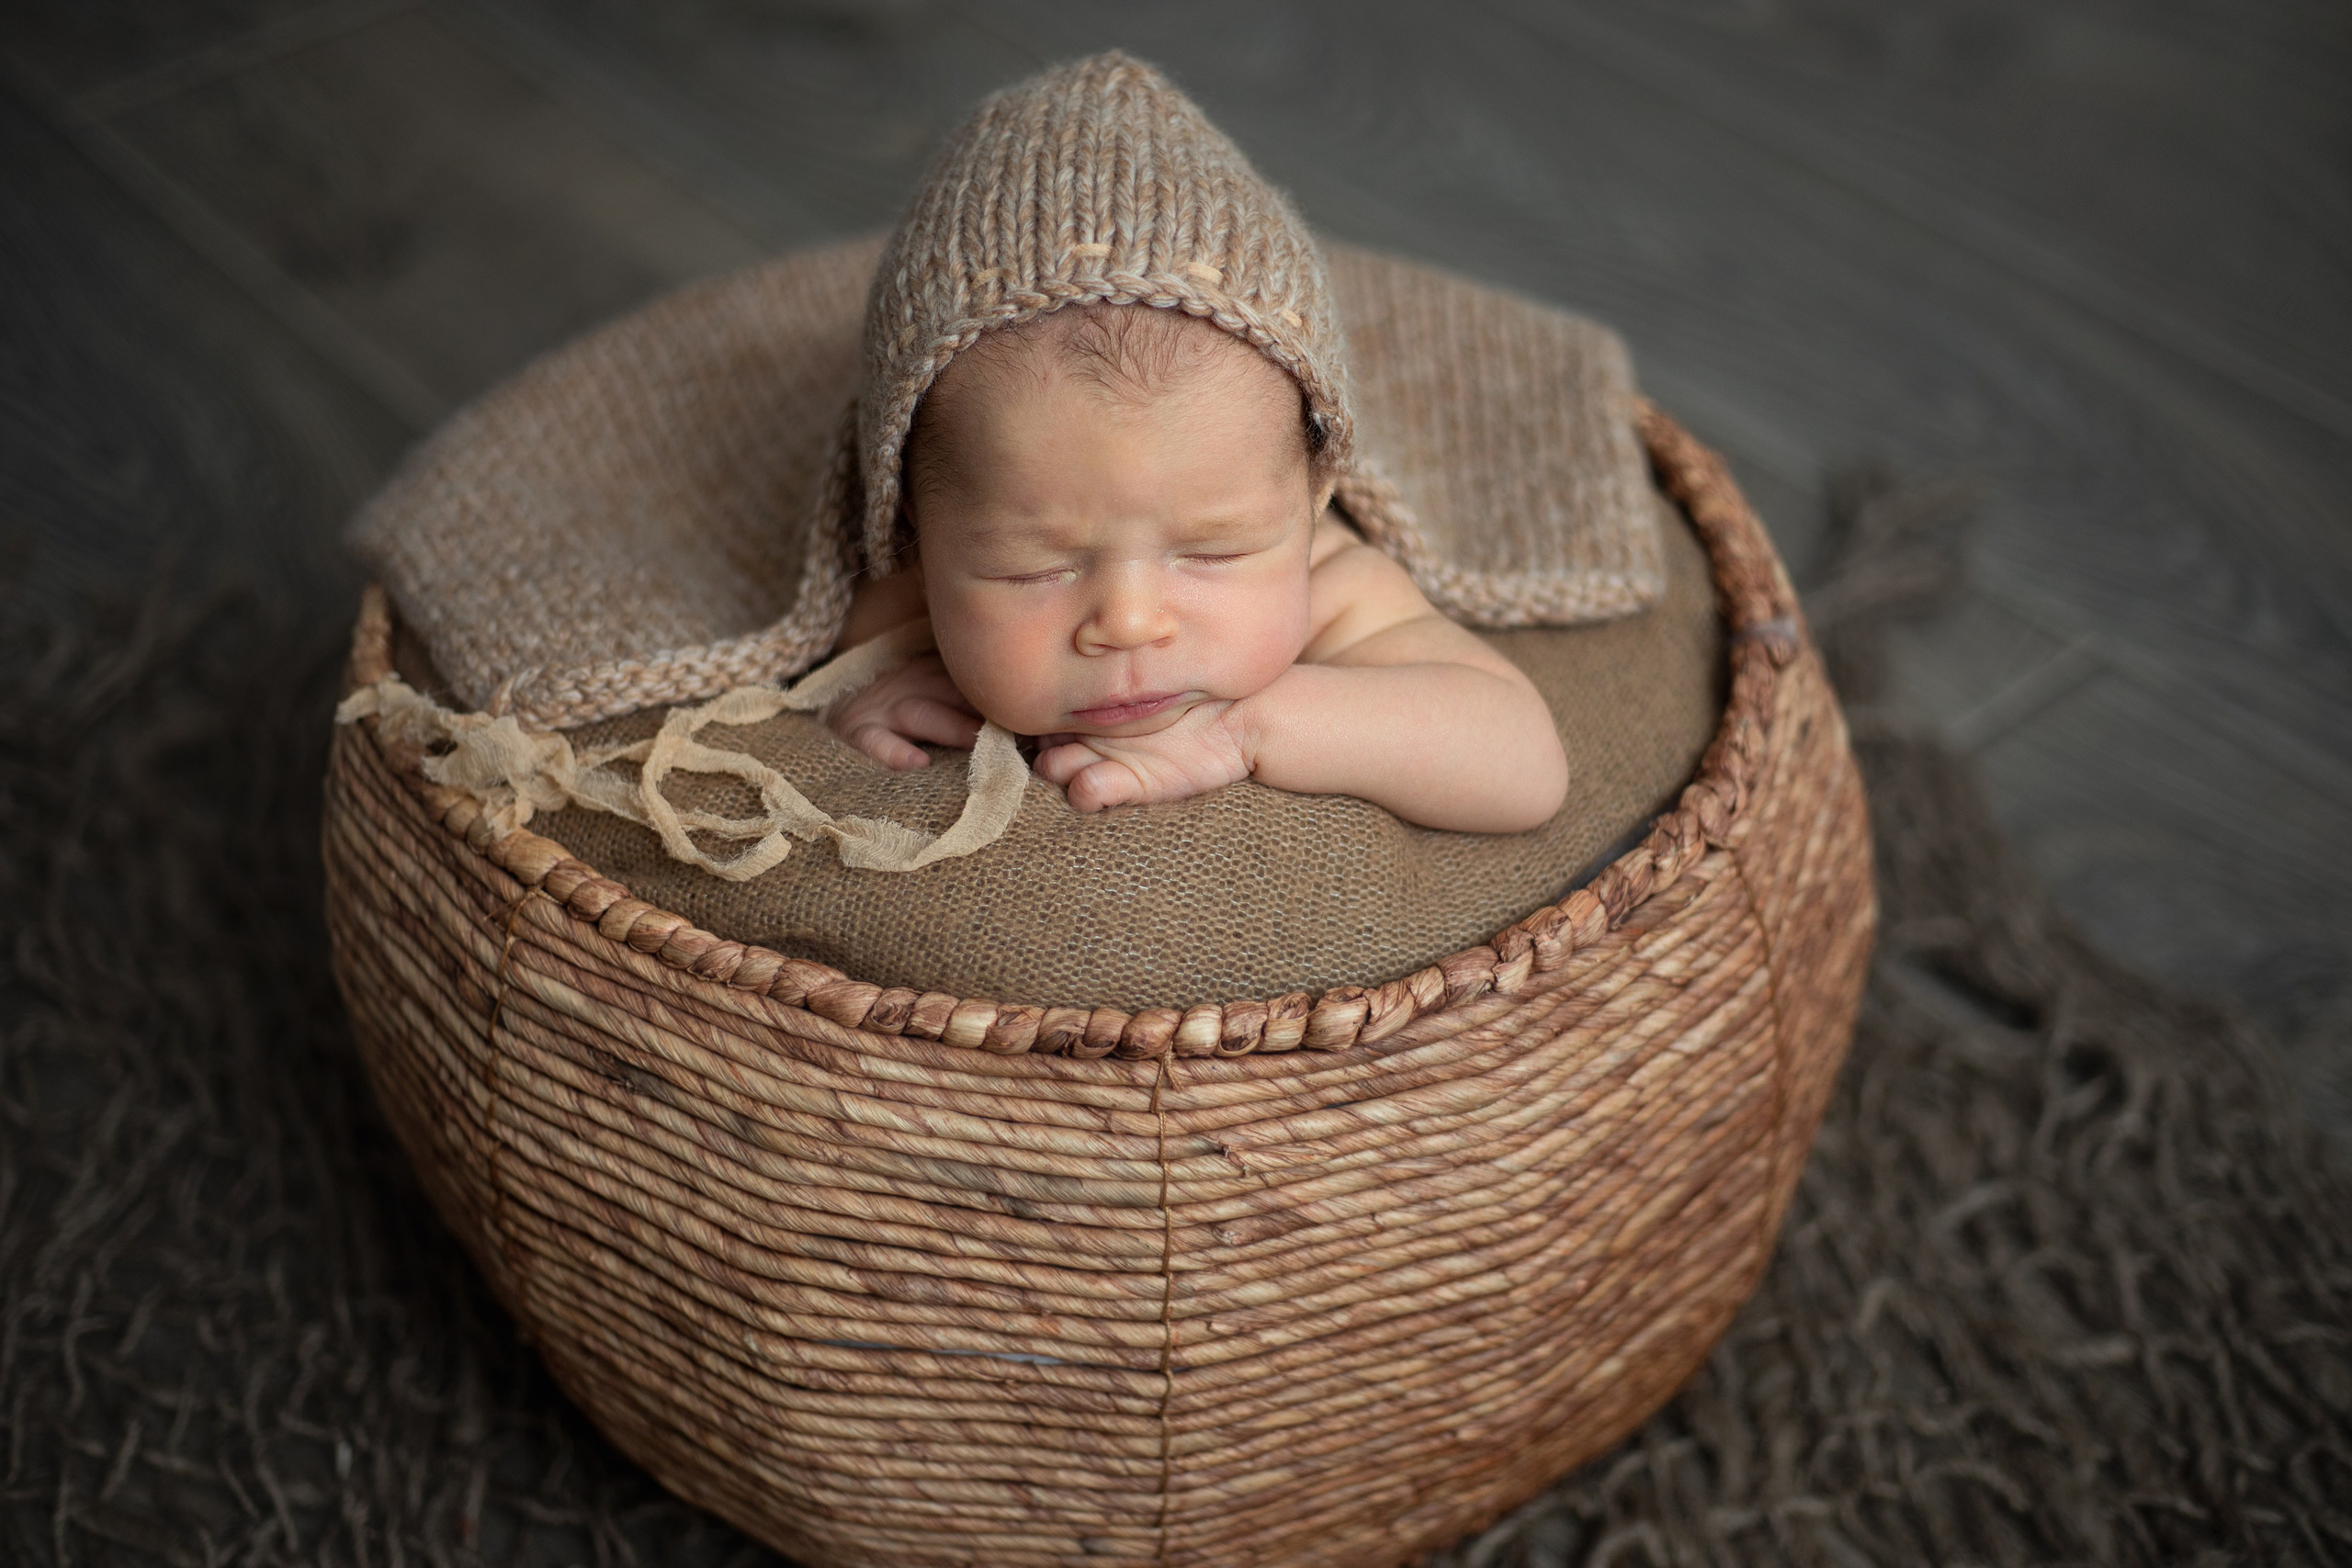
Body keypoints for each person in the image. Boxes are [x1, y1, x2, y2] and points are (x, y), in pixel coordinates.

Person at [820, 53, 1568, 834]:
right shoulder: (907, 582)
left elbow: (1525, 765)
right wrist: (856, 693)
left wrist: (1255, 726)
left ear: (1311, 498)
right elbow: (829, 649)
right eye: (1034, 568)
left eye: (1215, 551)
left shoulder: (1338, 587)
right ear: (913, 524)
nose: (1132, 621)